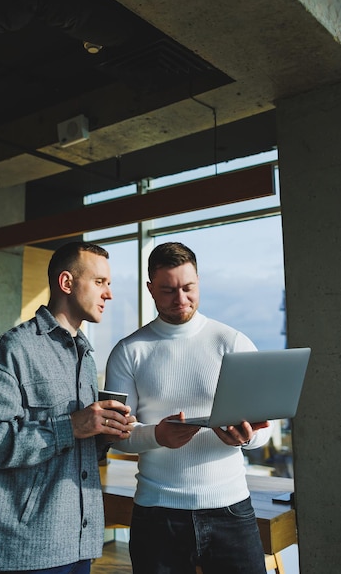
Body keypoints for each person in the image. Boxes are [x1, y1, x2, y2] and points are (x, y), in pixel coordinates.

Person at [0, 241, 136, 574]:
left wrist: (103, 434)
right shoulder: (13, 349)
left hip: (79, 542)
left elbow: (73, 444)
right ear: (67, 283)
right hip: (29, 548)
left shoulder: (85, 355)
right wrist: (70, 426)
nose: (109, 294)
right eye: (100, 282)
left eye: (109, 284)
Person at [105, 241, 274, 574]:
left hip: (230, 511)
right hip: (157, 514)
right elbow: (116, 436)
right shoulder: (129, 351)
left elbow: (266, 432)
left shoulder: (234, 342)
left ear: (199, 281)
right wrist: (158, 435)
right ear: (151, 289)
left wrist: (246, 437)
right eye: (168, 290)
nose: (180, 299)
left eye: (188, 288)